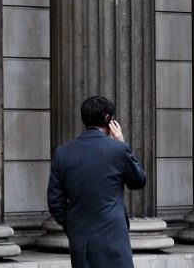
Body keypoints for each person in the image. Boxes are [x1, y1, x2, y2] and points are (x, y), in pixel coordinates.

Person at [47, 95, 146, 268]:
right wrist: (122, 143)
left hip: (81, 240)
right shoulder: (118, 150)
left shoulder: (63, 152)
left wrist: (73, 226)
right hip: (114, 239)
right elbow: (138, 181)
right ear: (108, 119)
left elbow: (55, 202)